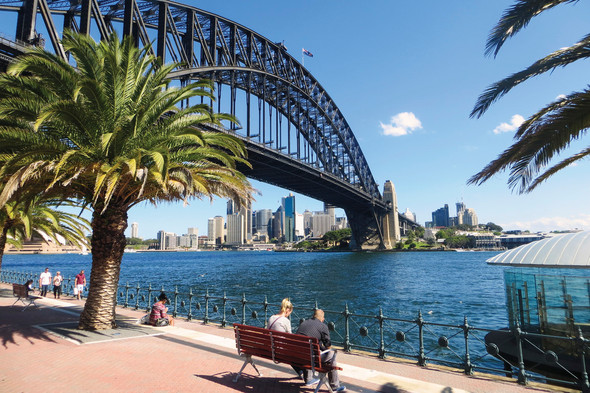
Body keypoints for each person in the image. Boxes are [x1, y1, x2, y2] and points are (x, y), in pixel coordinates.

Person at [296, 309, 346, 392]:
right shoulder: (322, 326)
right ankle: (335, 386)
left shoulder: (304, 323)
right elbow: (328, 345)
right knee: (331, 355)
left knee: (307, 350)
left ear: (313, 316)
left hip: (298, 354)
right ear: (322, 319)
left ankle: (308, 379)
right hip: (311, 357)